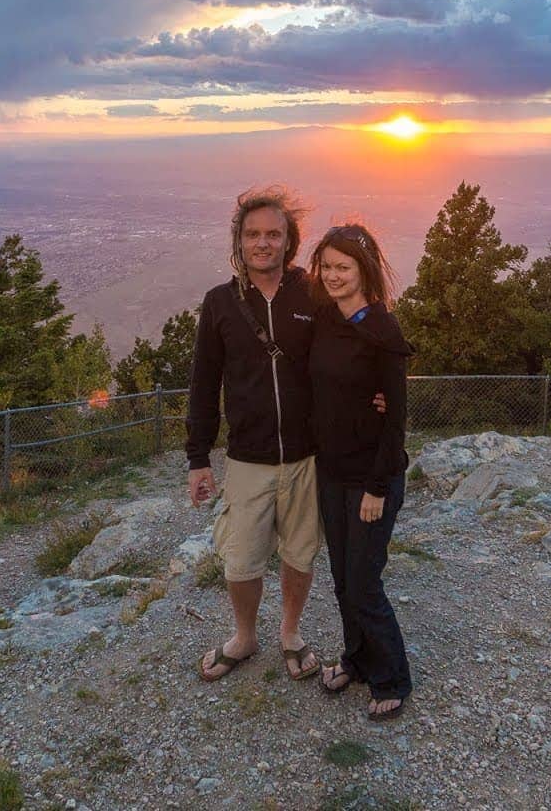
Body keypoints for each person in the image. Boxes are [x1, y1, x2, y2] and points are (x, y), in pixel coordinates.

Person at [185, 185, 325, 683]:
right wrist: (198, 457)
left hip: (308, 456)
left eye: (274, 234)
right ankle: (245, 637)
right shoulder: (220, 303)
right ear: (239, 241)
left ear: (290, 241)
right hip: (247, 458)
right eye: (253, 234)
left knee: (299, 552)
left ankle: (290, 633)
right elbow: (203, 383)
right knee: (241, 561)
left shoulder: (313, 293)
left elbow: (342, 363)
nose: (263, 243)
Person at [308, 222, 414, 721]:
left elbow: (395, 422)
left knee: (365, 581)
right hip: (331, 473)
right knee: (341, 578)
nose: (332, 275)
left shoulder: (383, 333)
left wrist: (377, 486)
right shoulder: (324, 321)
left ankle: (391, 677)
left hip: (373, 477)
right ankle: (355, 658)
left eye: (342, 267)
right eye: (326, 266)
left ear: (363, 270)